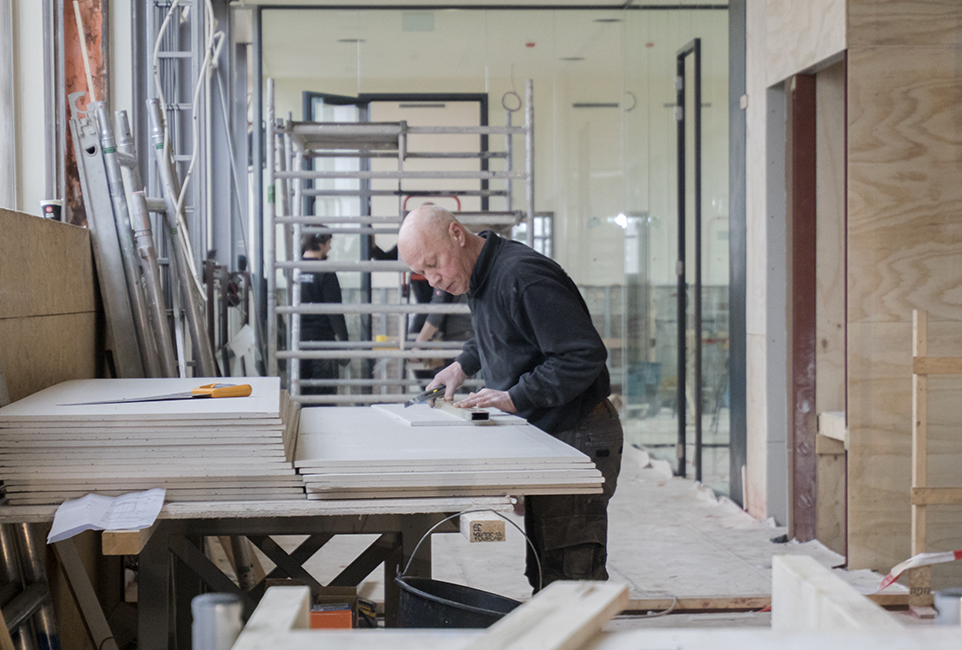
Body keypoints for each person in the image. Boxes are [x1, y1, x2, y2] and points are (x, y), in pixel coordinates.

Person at [397, 205, 623, 591]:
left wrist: (514, 397)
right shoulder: (480, 276)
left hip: (577, 435)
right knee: (546, 569)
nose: (435, 282)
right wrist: (462, 365)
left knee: (571, 576)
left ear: (456, 233)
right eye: (424, 273)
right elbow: (501, 331)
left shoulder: (521, 275)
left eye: (435, 265)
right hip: (550, 433)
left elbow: (582, 355)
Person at [299, 232, 348, 395]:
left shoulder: (294, 270)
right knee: (324, 396)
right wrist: (344, 344)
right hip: (322, 343)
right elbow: (334, 311)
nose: (330, 247)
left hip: (299, 342)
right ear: (320, 245)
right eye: (328, 243)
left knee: (302, 394)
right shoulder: (325, 272)